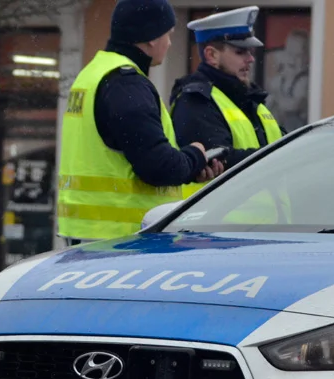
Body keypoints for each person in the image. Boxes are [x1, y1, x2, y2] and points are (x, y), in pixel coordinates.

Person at [57, 0, 224, 245]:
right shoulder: (126, 84)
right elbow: (157, 165)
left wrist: (190, 168)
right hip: (123, 242)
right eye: (168, 35)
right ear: (151, 38)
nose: (169, 43)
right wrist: (195, 157)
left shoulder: (94, 74)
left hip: (90, 235)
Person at [170, 6, 286, 198]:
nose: (250, 59)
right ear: (212, 55)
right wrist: (282, 156)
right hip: (217, 225)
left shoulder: (250, 100)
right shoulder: (196, 102)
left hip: (262, 225)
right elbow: (223, 160)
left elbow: (287, 144)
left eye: (250, 52)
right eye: (241, 52)